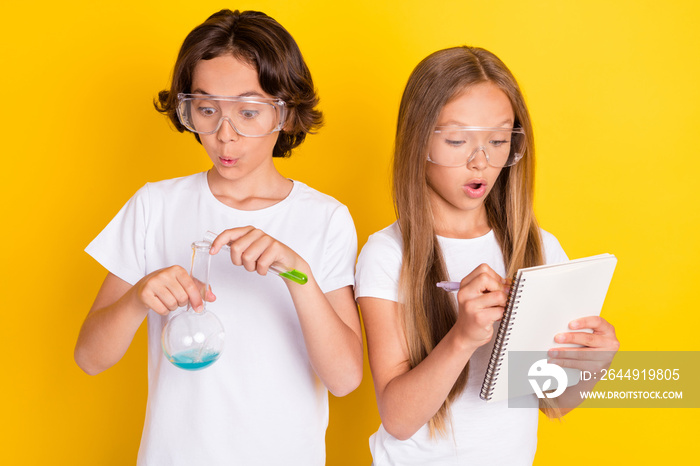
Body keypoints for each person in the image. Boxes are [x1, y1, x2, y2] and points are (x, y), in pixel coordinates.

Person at [74, 9, 362, 465]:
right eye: (207, 110)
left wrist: (297, 272)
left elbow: (345, 379)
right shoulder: (155, 206)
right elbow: (90, 357)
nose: (225, 135)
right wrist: (137, 299)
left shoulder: (324, 218)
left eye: (248, 112)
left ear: (285, 115)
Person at [355, 46, 620, 464]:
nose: (481, 162)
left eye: (498, 141)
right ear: (417, 141)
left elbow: (553, 401)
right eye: (458, 140)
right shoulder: (388, 254)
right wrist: (462, 337)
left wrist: (590, 366)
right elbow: (399, 420)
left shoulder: (539, 248)